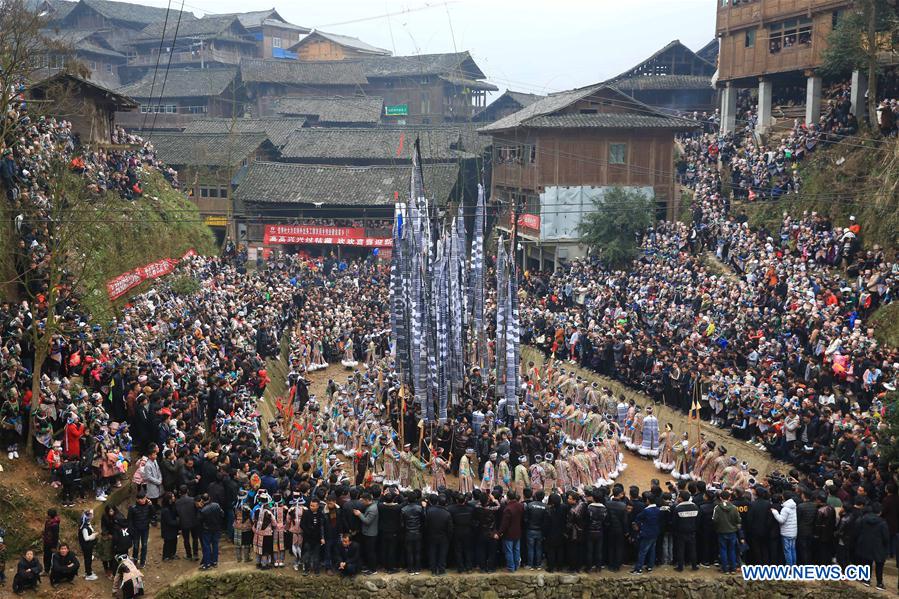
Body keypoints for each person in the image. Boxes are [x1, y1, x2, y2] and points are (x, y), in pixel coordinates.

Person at [855, 505, 889, 590]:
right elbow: (886, 537)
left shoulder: (864, 519)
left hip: (866, 545)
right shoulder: (883, 522)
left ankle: (866, 580)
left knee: (867, 563)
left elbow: (859, 531)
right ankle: (879, 583)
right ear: (880, 512)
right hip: (879, 546)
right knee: (879, 565)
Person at [712, 489, 741, 574]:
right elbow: (738, 520)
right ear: (729, 497)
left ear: (720, 498)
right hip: (732, 532)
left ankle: (725, 569)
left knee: (723, 550)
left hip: (721, 531)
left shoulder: (717, 508)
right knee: (732, 550)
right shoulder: (734, 508)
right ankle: (733, 568)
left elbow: (714, 520)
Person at [425, 494, 453, 576]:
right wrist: (449, 537)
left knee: (432, 553)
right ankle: (441, 570)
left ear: (437, 502)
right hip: (443, 537)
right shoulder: (447, 513)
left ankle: (433, 570)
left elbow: (426, 525)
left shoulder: (429, 511)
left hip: (432, 536)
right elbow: (450, 528)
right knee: (442, 554)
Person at [632, 497, 662, 574]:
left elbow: (638, 517)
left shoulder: (646, 511)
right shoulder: (658, 510)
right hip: (655, 532)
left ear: (648, 500)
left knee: (642, 551)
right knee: (652, 550)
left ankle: (638, 568)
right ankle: (650, 567)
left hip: (647, 533)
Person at [672, 489, 699, 571]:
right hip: (692, 531)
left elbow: (675, 522)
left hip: (681, 532)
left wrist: (676, 531)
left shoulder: (678, 508)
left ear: (681, 498)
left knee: (680, 549)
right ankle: (694, 566)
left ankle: (680, 567)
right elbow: (698, 520)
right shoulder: (695, 507)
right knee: (692, 549)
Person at [497, 490, 524, 572]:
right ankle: (516, 566)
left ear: (508, 497)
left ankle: (511, 567)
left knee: (509, 551)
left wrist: (499, 533)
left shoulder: (508, 508)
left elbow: (504, 523)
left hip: (509, 533)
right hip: (518, 531)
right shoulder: (520, 506)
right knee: (516, 550)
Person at [198, 492, 224, 570]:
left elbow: (200, 521)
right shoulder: (216, 505)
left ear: (202, 500)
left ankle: (207, 563)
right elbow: (222, 514)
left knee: (206, 546)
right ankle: (215, 562)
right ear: (209, 498)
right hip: (216, 528)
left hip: (207, 530)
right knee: (215, 545)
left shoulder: (202, 510)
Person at [401, 491, 425, 575]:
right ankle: (417, 569)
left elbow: (402, 523)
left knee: (409, 552)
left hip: (408, 532)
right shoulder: (420, 508)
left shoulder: (404, 509)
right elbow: (423, 519)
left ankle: (410, 569)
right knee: (417, 551)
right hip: (418, 532)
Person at [771, 493, 798, 566]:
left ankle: (789, 566)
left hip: (786, 532)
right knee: (793, 549)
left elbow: (781, 520)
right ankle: (794, 565)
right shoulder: (793, 506)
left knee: (787, 551)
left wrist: (775, 512)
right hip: (793, 532)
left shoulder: (785, 509)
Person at [175, 486, 200, 561]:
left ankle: (189, 555)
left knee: (186, 539)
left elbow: (177, 514)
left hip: (184, 523)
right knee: (195, 538)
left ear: (180, 493)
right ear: (187, 491)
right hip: (194, 522)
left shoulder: (177, 502)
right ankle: (195, 554)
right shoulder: (193, 500)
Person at [524, 489, 547, 569]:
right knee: (539, 548)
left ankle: (530, 565)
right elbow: (546, 521)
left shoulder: (529, 505)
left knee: (530, 548)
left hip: (530, 530)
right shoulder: (545, 507)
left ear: (535, 496)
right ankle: (538, 565)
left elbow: (525, 519)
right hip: (540, 531)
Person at [128, 492, 152, 567]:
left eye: (144, 498)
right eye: (141, 499)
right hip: (136, 530)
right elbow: (129, 520)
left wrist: (151, 506)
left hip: (145, 529)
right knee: (136, 546)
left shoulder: (149, 506)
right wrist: (131, 530)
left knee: (144, 545)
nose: (143, 500)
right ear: (137, 499)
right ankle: (135, 560)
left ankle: (142, 561)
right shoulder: (132, 508)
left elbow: (153, 514)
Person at [79, 509, 99, 581]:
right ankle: (88, 574)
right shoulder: (84, 527)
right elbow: (86, 538)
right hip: (86, 546)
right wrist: (94, 535)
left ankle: (88, 571)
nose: (93, 516)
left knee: (89, 558)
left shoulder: (87, 524)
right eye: (91, 515)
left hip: (88, 545)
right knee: (88, 559)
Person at [160, 493, 181, 561]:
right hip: (167, 530)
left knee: (174, 541)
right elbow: (169, 521)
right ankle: (166, 556)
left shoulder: (173, 505)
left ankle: (172, 554)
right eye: (172, 496)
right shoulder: (165, 510)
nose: (174, 497)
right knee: (168, 543)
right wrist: (179, 522)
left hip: (173, 529)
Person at [42, 508, 60, 573]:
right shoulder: (48, 522)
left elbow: (55, 536)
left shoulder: (55, 525)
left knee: (51, 557)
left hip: (51, 543)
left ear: (50, 516)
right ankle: (46, 570)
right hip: (46, 541)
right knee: (46, 556)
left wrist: (54, 546)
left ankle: (53, 570)